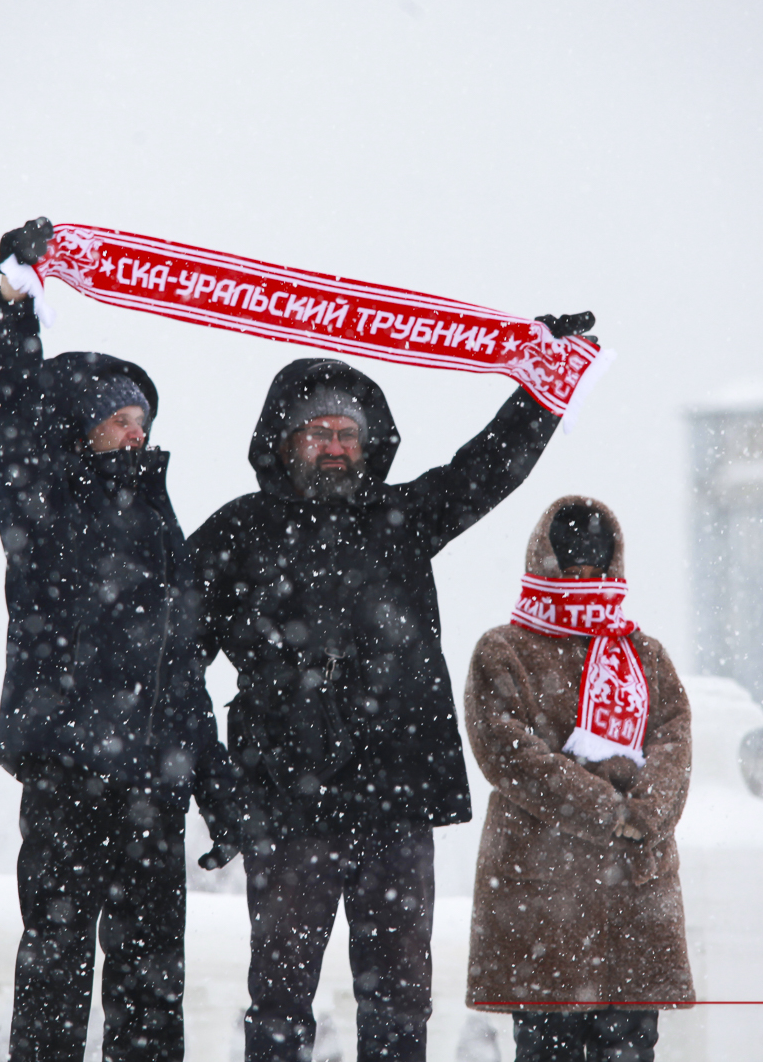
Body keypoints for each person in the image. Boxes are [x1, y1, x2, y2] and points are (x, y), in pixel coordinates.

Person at [191, 339, 585, 1062]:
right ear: (284, 442)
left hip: (396, 797)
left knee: (401, 1000)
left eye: (348, 433)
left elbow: (488, 467)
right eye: (319, 432)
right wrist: (219, 785)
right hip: (286, 800)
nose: (335, 446)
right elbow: (172, 660)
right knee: (279, 1001)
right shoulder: (236, 532)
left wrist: (546, 385)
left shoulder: (402, 518)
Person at [0, 219, 237, 1062]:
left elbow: (185, 669)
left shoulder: (163, 527)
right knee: (54, 971)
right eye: (119, 418)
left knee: (151, 982)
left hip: (151, 788)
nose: (137, 431)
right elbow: (12, 414)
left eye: (142, 417)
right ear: (82, 426)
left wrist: (216, 786)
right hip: (66, 775)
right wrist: (14, 305)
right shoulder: (41, 504)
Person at [462, 497, 692, 1062]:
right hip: (542, 900)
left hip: (636, 900)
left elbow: (674, 743)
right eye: (570, 564)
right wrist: (611, 811)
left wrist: (642, 812)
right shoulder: (503, 650)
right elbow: (510, 754)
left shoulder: (646, 654)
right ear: (546, 563)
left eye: (593, 563)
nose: (582, 576)